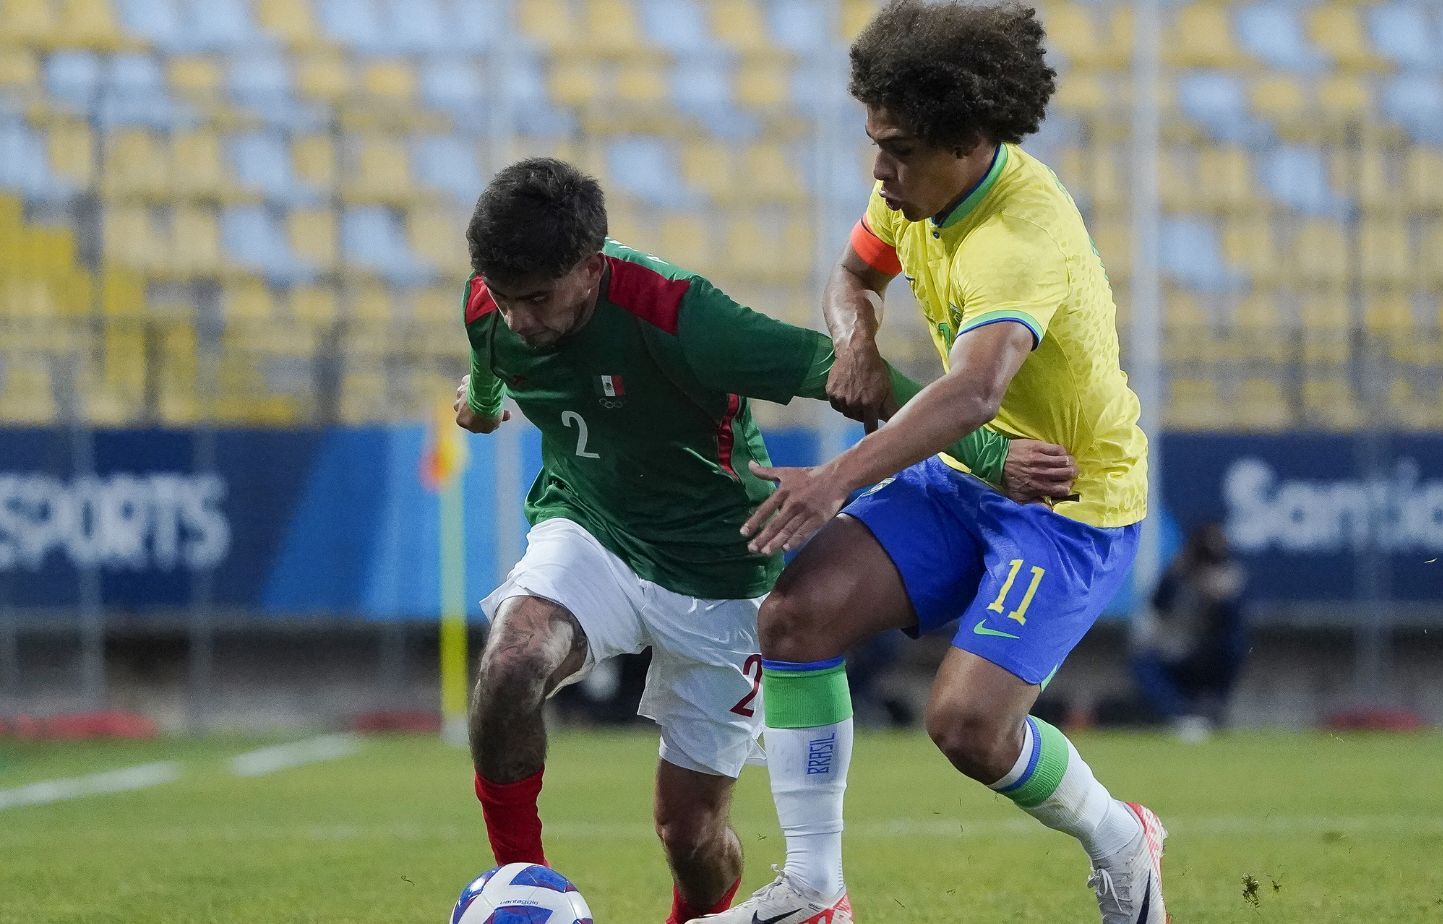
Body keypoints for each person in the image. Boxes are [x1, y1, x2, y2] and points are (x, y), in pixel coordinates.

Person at [455, 157, 1074, 924]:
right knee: (512, 662)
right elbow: (489, 362)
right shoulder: (493, 299)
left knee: (690, 831)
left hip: (725, 574)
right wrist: (481, 405)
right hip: (592, 532)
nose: (519, 320)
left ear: (590, 268)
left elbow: (848, 373)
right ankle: (522, 886)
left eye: (538, 300)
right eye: (506, 300)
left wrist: (990, 455)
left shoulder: (686, 319)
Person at [699, 3, 1167, 922]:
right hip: (963, 482)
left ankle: (1123, 839)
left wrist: (837, 477)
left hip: (1069, 504)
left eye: (899, 148)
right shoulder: (912, 190)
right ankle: (815, 891)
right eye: (876, 141)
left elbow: (974, 393)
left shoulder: (1019, 237)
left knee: (966, 726)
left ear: (969, 138)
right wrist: (856, 340)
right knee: (794, 620)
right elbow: (850, 276)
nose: (880, 168)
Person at [1130, 523, 1248, 735]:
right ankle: (1177, 715)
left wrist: (1221, 599)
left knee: (1235, 645)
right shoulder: (1179, 571)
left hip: (1208, 654)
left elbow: (1235, 626)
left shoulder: (1229, 577)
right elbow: (1158, 603)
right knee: (1142, 661)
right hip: (1176, 650)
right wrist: (1179, 575)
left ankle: (1214, 706)